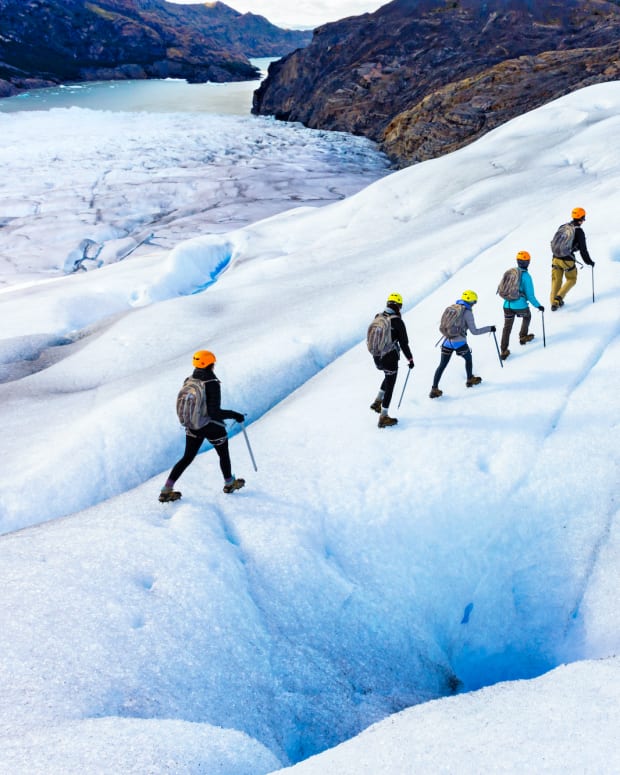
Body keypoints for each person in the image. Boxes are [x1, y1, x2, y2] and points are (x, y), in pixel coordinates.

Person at [159, 350, 245, 502]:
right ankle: (229, 483)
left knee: (187, 457)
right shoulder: (211, 384)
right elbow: (214, 413)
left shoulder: (189, 380)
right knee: (223, 454)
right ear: (210, 364)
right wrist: (235, 415)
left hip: (192, 425)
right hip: (210, 426)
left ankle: (166, 490)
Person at [429, 290, 495, 398]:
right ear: (471, 301)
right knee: (468, 359)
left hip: (446, 341)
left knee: (442, 365)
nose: (474, 304)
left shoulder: (453, 307)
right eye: (474, 301)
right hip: (459, 342)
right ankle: (470, 379)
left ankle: (434, 389)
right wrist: (490, 328)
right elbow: (475, 331)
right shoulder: (467, 312)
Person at [369, 292, 414, 428]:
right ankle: (383, 416)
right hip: (390, 358)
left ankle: (377, 401)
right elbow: (404, 344)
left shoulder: (378, 317)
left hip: (377, 357)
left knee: (388, 376)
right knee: (391, 385)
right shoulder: (397, 321)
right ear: (398, 307)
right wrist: (410, 359)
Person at [499, 250, 544, 360]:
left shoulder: (511, 272)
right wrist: (539, 306)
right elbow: (530, 296)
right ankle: (523, 336)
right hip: (520, 305)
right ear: (528, 262)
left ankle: (504, 350)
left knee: (507, 327)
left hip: (507, 305)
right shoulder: (526, 276)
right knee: (527, 316)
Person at [550, 207, 595, 311]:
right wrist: (589, 262)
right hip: (567, 260)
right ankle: (558, 299)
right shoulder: (579, 231)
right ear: (581, 218)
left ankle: (553, 303)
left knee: (556, 280)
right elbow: (583, 250)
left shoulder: (563, 226)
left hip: (555, 258)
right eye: (584, 218)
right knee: (571, 279)